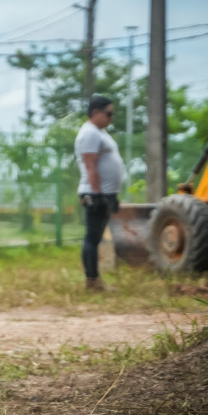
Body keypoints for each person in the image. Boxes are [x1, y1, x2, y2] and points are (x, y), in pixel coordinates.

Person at [75, 95, 125, 291]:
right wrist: (98, 195)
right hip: (94, 193)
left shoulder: (99, 133)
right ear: (96, 112)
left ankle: (94, 280)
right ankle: (92, 281)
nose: (111, 118)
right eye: (108, 114)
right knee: (92, 238)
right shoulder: (90, 133)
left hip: (103, 193)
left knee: (95, 238)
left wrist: (111, 195)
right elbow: (91, 166)